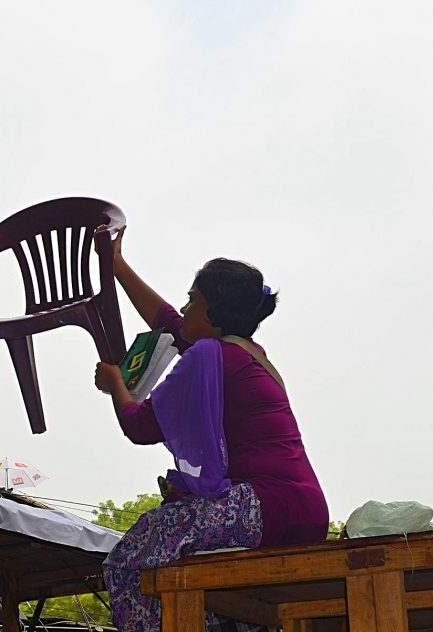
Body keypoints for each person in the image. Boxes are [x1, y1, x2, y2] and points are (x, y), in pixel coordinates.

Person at [93, 227, 328, 632]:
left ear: (213, 314)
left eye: (192, 301)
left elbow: (140, 426)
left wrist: (116, 383)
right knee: (199, 575)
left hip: (263, 506)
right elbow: (169, 322)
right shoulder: (243, 352)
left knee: (128, 561)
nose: (183, 309)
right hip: (304, 510)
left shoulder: (209, 355)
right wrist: (117, 266)